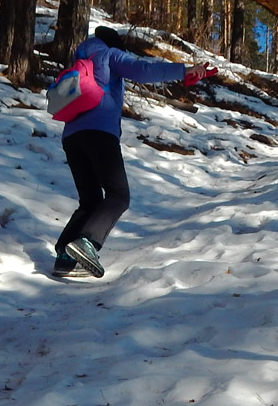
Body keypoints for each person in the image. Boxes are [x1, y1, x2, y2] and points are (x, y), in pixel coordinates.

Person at [53, 26, 215, 279]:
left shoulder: (82, 59)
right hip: (100, 133)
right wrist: (183, 70)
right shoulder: (109, 55)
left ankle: (64, 255)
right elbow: (143, 69)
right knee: (119, 195)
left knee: (91, 201)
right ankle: (88, 243)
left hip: (72, 136)